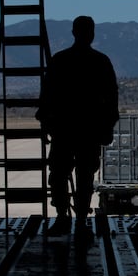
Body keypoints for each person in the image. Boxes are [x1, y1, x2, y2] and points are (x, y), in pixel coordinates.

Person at [36, 15, 119, 250]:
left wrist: (46, 124)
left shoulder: (60, 60)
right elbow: (112, 99)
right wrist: (108, 127)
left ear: (74, 32)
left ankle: (66, 217)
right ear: (91, 34)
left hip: (67, 130)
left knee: (63, 175)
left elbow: (47, 97)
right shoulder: (100, 62)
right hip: (86, 131)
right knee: (81, 176)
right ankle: (78, 219)